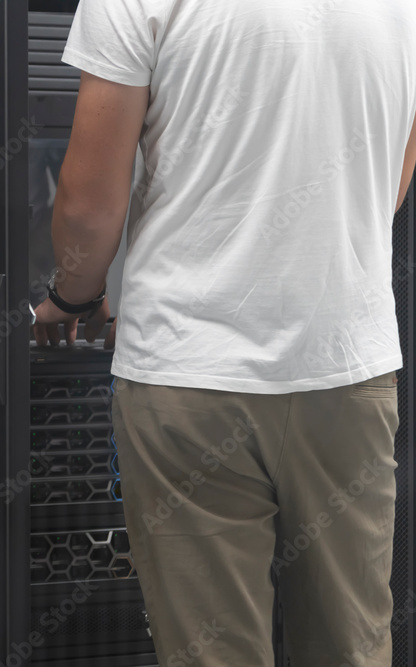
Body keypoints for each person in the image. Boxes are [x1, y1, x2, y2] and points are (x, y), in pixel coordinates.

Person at [31, 1, 416, 665]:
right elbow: (400, 145)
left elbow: (90, 200)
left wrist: (73, 297)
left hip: (187, 372)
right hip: (348, 370)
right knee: (351, 646)